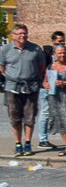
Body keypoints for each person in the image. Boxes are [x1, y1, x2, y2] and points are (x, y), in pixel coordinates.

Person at [0, 24, 47, 157]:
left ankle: (27, 143)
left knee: (29, 117)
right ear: (13, 35)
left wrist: (32, 76)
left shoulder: (35, 49)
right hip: (12, 87)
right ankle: (17, 144)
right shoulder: (6, 49)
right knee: (14, 117)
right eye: (20, 33)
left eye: (25, 33)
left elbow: (41, 66)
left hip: (30, 87)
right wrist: (12, 76)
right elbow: (2, 67)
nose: (23, 36)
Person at [36, 30, 66, 150]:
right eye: (59, 41)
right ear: (53, 41)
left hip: (61, 88)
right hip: (46, 87)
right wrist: (43, 83)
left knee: (65, 113)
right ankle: (42, 139)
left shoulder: (63, 54)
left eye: (63, 41)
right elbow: (41, 70)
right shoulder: (46, 54)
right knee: (45, 112)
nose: (62, 43)